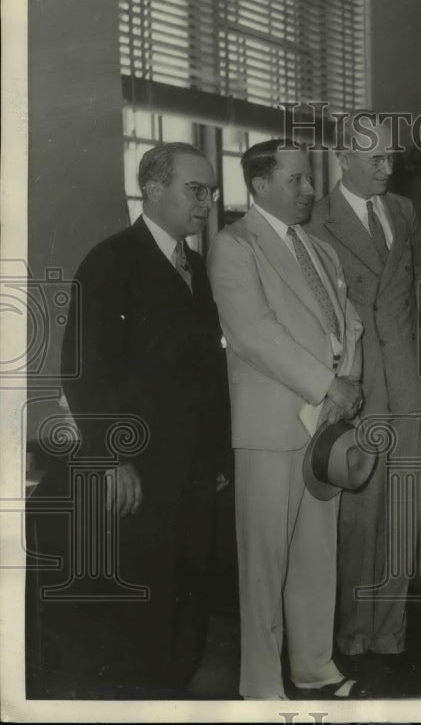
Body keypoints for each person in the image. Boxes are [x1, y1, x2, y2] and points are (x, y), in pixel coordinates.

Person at [59, 142, 231, 696]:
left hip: (194, 477)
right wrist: (112, 458)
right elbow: (82, 370)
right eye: (196, 190)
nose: (208, 202)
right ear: (154, 189)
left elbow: (206, 376)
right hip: (138, 477)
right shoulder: (111, 261)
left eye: (211, 191)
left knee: (188, 606)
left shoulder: (195, 267)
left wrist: (217, 459)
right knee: (143, 611)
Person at [207, 140, 366, 700]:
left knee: (316, 558)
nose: (308, 190)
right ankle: (260, 687)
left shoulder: (320, 249)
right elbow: (254, 333)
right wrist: (329, 384)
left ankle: (315, 668)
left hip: (323, 426)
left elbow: (347, 323)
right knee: (264, 564)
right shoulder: (234, 245)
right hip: (271, 429)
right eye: (296, 180)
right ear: (260, 185)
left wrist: (346, 383)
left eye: (307, 179)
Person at [306, 116, 421, 667]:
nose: (388, 167)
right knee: (358, 519)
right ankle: (352, 633)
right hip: (357, 389)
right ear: (343, 157)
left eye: (391, 157)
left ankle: (390, 631)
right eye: (376, 159)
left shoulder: (403, 210)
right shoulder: (315, 218)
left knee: (405, 514)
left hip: (408, 385)